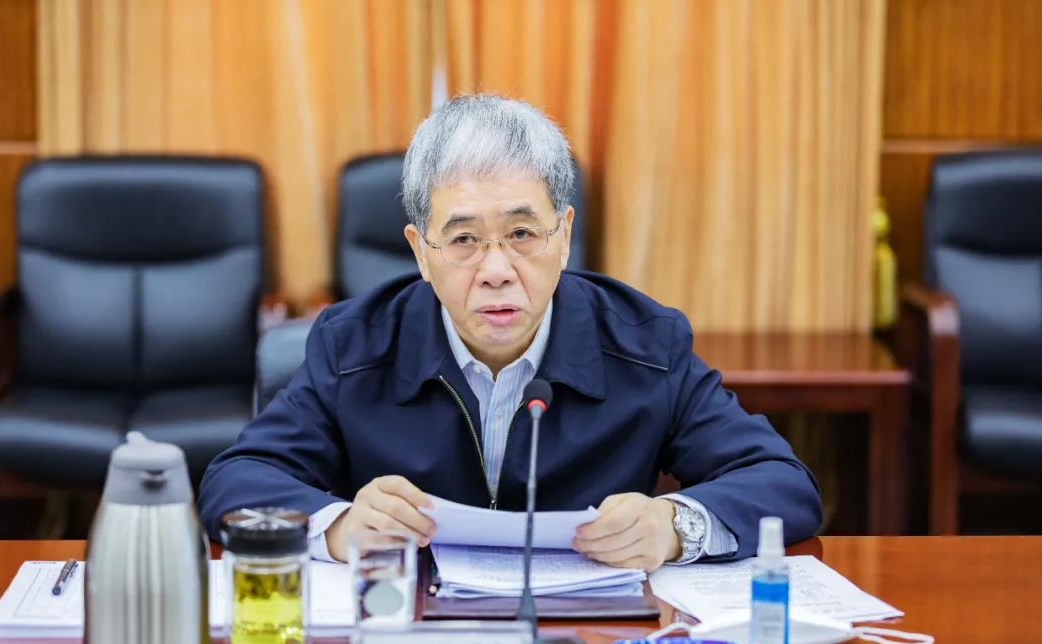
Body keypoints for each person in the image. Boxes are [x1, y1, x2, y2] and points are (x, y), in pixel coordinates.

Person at [199, 94, 821, 571]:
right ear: (420, 252)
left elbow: (783, 483)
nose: (496, 270)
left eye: (522, 234)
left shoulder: (646, 344)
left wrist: (673, 527)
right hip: (413, 634)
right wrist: (338, 527)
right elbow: (236, 480)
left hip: (588, 640)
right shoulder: (354, 344)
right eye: (464, 239)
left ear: (564, 236)